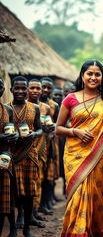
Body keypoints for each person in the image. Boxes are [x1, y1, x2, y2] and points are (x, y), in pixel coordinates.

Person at [56, 60, 103, 237]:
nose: (93, 77)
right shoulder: (70, 99)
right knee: (78, 197)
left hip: (100, 157)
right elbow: (58, 128)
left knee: (96, 201)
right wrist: (75, 131)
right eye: (90, 73)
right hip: (75, 157)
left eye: (97, 74)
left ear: (102, 77)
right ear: (82, 75)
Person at [9, 76, 42, 237]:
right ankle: (13, 228)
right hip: (11, 155)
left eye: (24, 88)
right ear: (11, 90)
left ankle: (27, 228)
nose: (21, 91)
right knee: (12, 193)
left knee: (29, 193)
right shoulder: (7, 108)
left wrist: (33, 134)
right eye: (17, 88)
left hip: (29, 154)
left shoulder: (35, 108)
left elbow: (40, 129)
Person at [27, 79, 53, 226]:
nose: (36, 91)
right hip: (24, 148)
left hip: (41, 147)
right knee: (24, 182)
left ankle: (34, 212)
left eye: (39, 88)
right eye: (33, 88)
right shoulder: (20, 106)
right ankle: (23, 214)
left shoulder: (45, 108)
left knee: (39, 179)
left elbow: (50, 127)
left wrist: (50, 128)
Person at [0, 77, 18, 237]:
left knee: (8, 195)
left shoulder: (7, 110)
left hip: (5, 157)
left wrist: (15, 136)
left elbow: (13, 130)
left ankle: (13, 229)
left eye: (0, 85)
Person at [39, 77, 60, 212]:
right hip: (36, 143)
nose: (46, 90)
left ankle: (45, 203)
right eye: (43, 87)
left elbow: (58, 123)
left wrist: (53, 130)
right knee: (38, 176)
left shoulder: (54, 106)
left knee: (49, 176)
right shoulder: (33, 104)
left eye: (48, 88)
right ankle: (36, 205)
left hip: (51, 144)